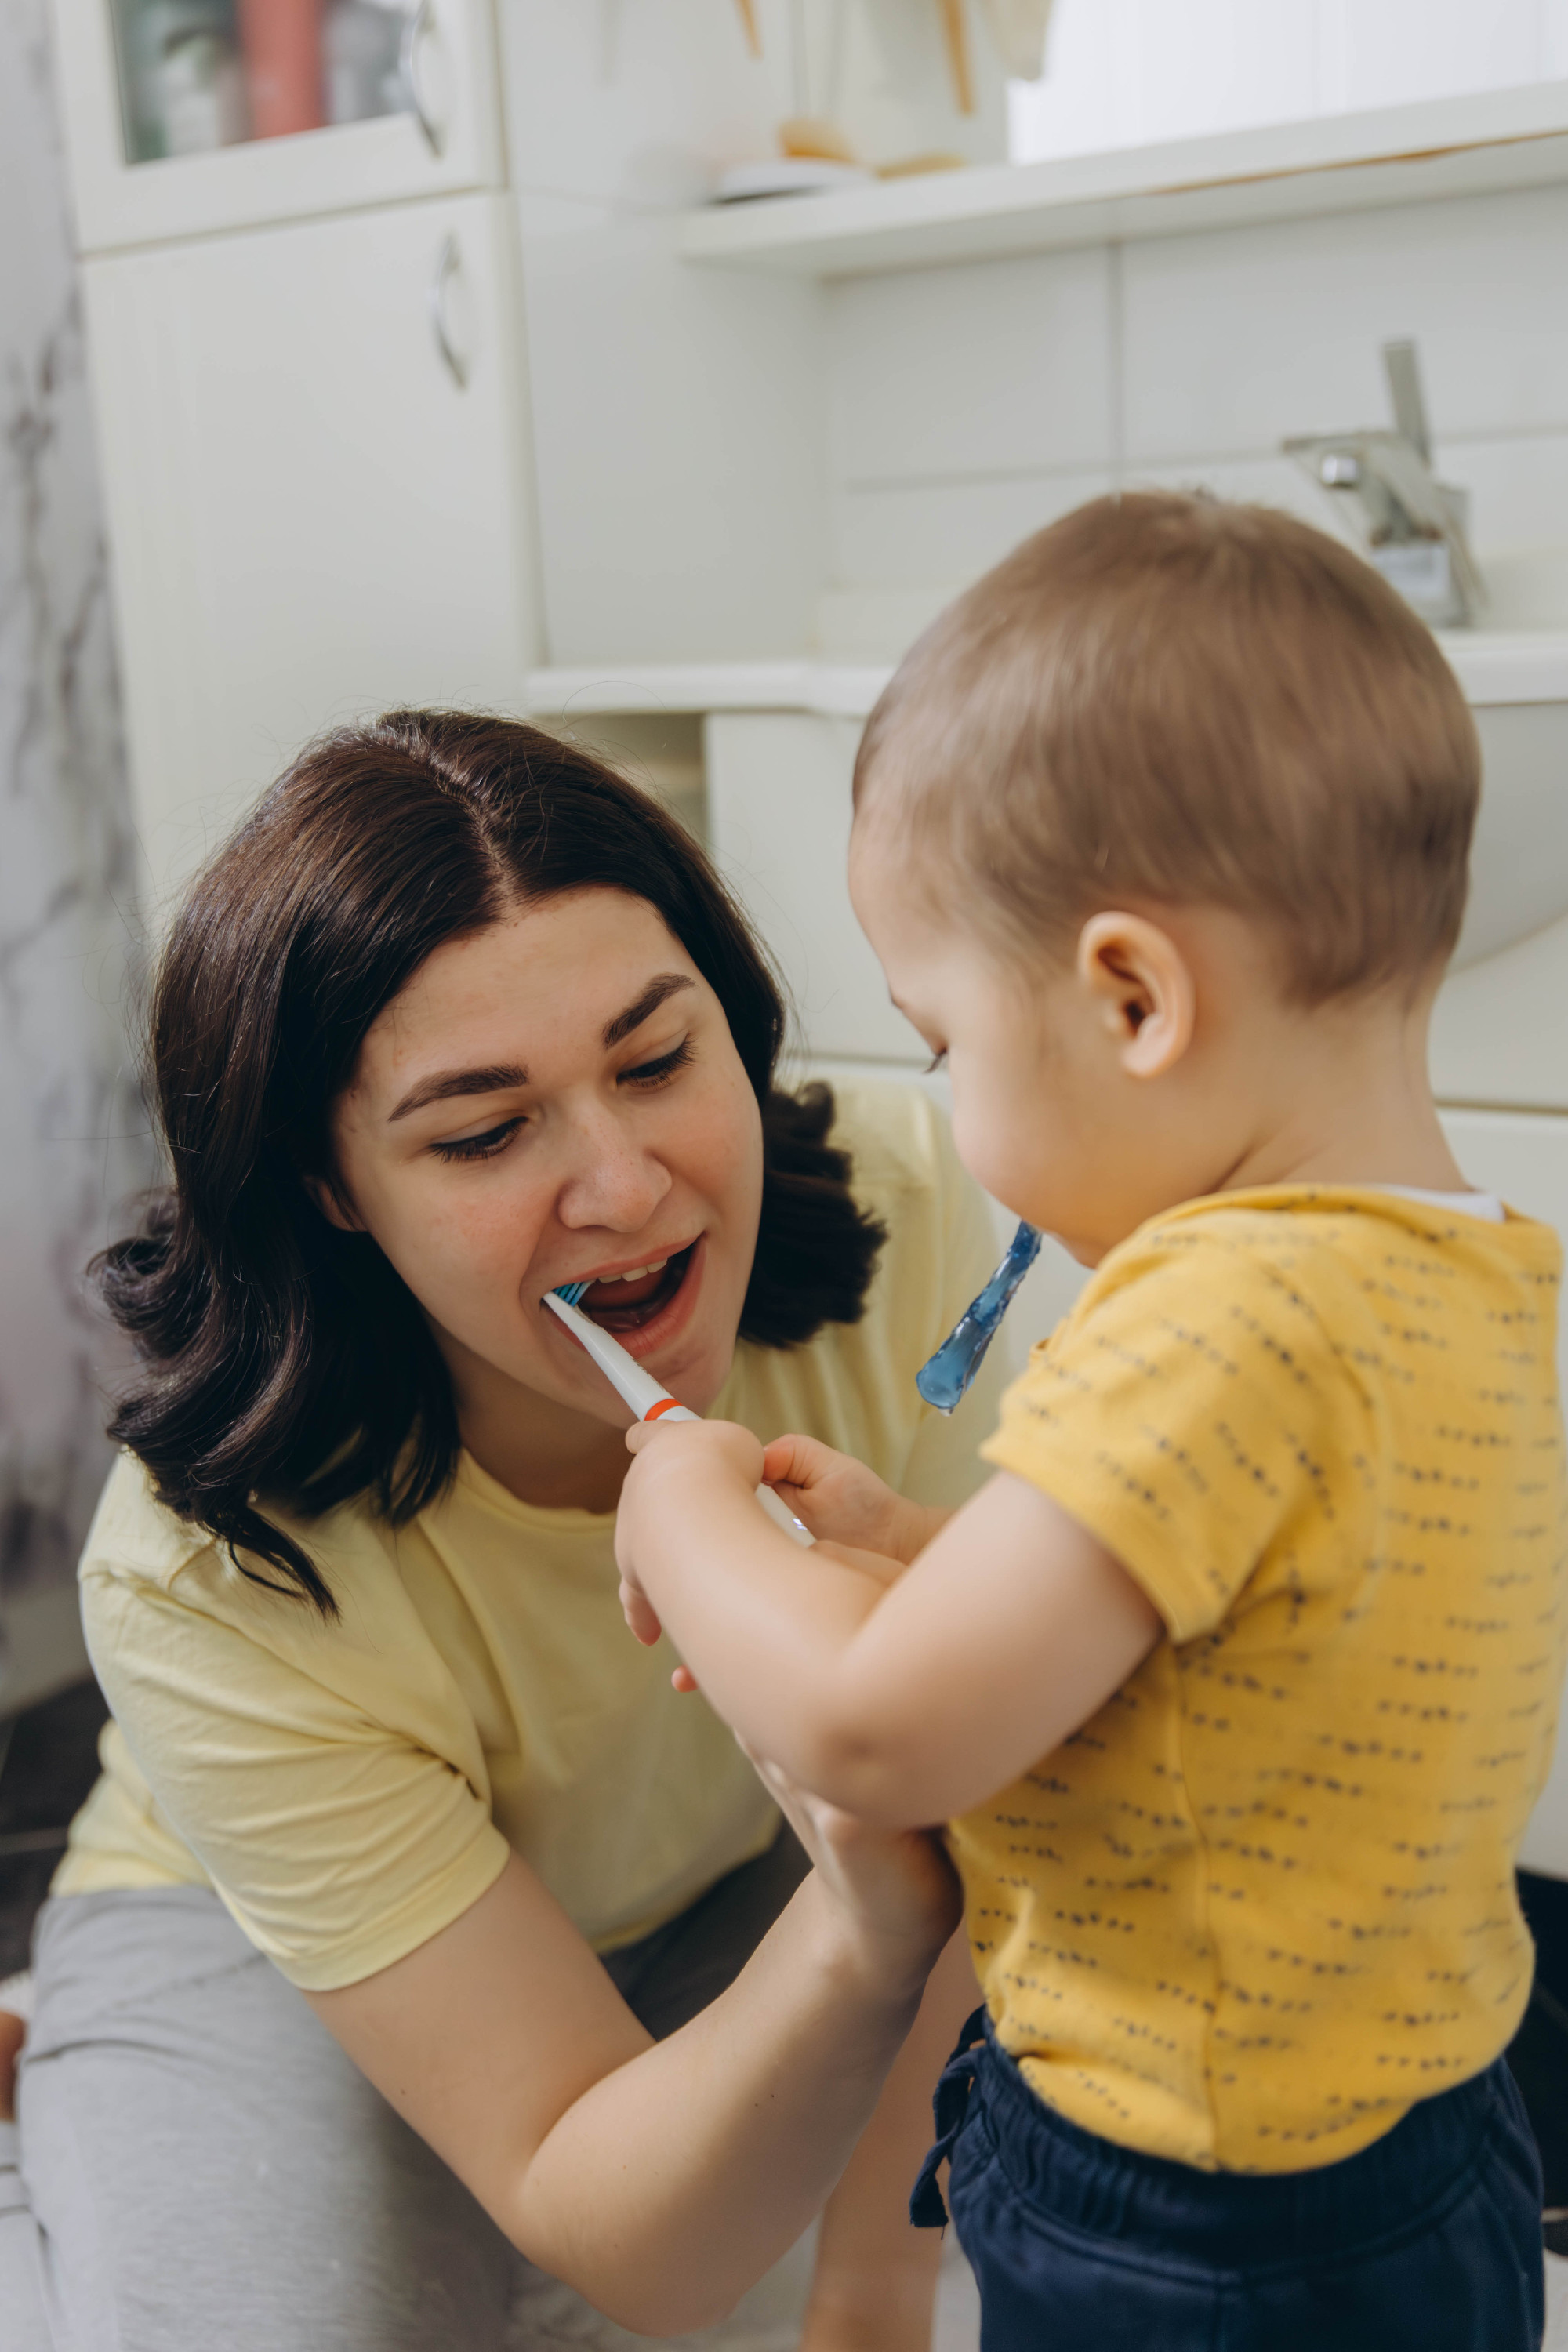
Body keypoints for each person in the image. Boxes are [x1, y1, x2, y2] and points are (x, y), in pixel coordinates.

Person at [612, 494, 1568, 2352]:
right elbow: (1250, 1636)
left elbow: (876, 1736)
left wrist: (680, 1506)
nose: (947, 1097)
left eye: (947, 1039)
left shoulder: (1208, 1317)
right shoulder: (1470, 1274)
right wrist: (937, 1557)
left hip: (1192, 2216)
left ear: (1131, 995)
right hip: (1429, 2143)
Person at [0, 711, 1007, 2352]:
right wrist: (865, 1918)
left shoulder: (916, 1209)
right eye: (484, 1131)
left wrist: (872, 2295)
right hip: (270, 1954)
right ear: (330, 1183)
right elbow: (645, 2258)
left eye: (658, 1059)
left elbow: (981, 1798)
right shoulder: (205, 1570)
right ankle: (93, 2089)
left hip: (712, 1883)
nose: (621, 1185)